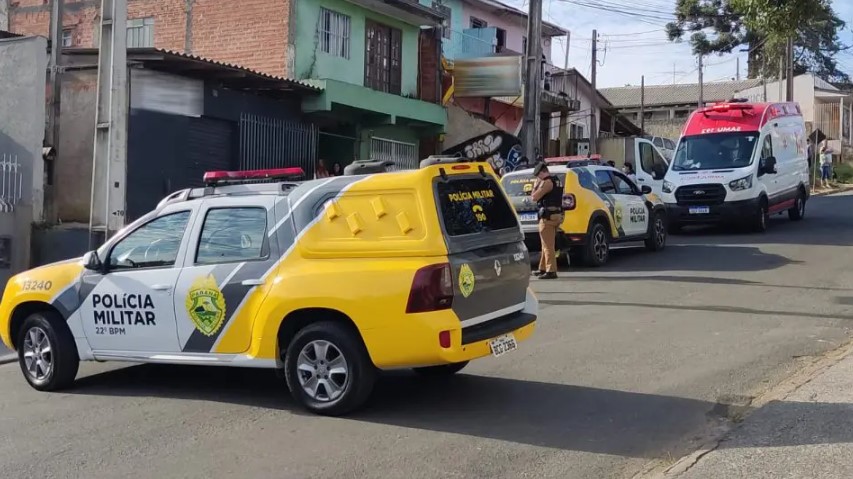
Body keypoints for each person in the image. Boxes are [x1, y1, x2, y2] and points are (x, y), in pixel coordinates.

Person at [530, 163, 563, 280]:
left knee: (548, 245)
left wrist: (535, 186)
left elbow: (534, 197)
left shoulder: (546, 182)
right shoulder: (557, 180)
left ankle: (551, 271)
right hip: (556, 215)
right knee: (546, 244)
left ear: (543, 172)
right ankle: (543, 268)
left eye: (538, 175)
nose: (538, 178)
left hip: (548, 217)